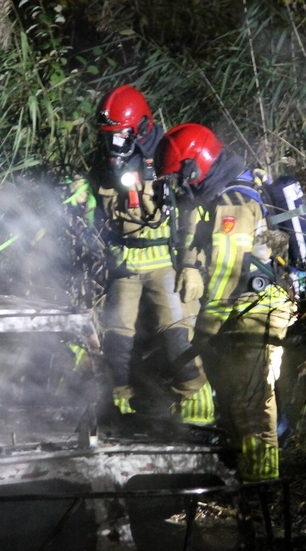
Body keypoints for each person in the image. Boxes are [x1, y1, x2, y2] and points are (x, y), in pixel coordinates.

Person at [154, 123, 306, 480]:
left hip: (257, 305)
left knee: (250, 396)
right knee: (234, 390)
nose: (179, 187)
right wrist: (191, 268)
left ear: (194, 168)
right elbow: (200, 244)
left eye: (179, 177)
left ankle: (262, 481)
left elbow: (229, 273)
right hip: (244, 302)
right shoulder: (218, 192)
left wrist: (203, 333)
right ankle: (244, 465)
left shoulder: (234, 203)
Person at [84, 85, 213, 425]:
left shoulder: (167, 156)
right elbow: (95, 213)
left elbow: (190, 215)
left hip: (163, 264)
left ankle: (197, 403)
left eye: (120, 136)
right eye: (107, 137)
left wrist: (190, 266)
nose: (113, 146)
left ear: (140, 129)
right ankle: (121, 403)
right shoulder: (101, 165)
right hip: (123, 266)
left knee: (176, 333)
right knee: (116, 336)